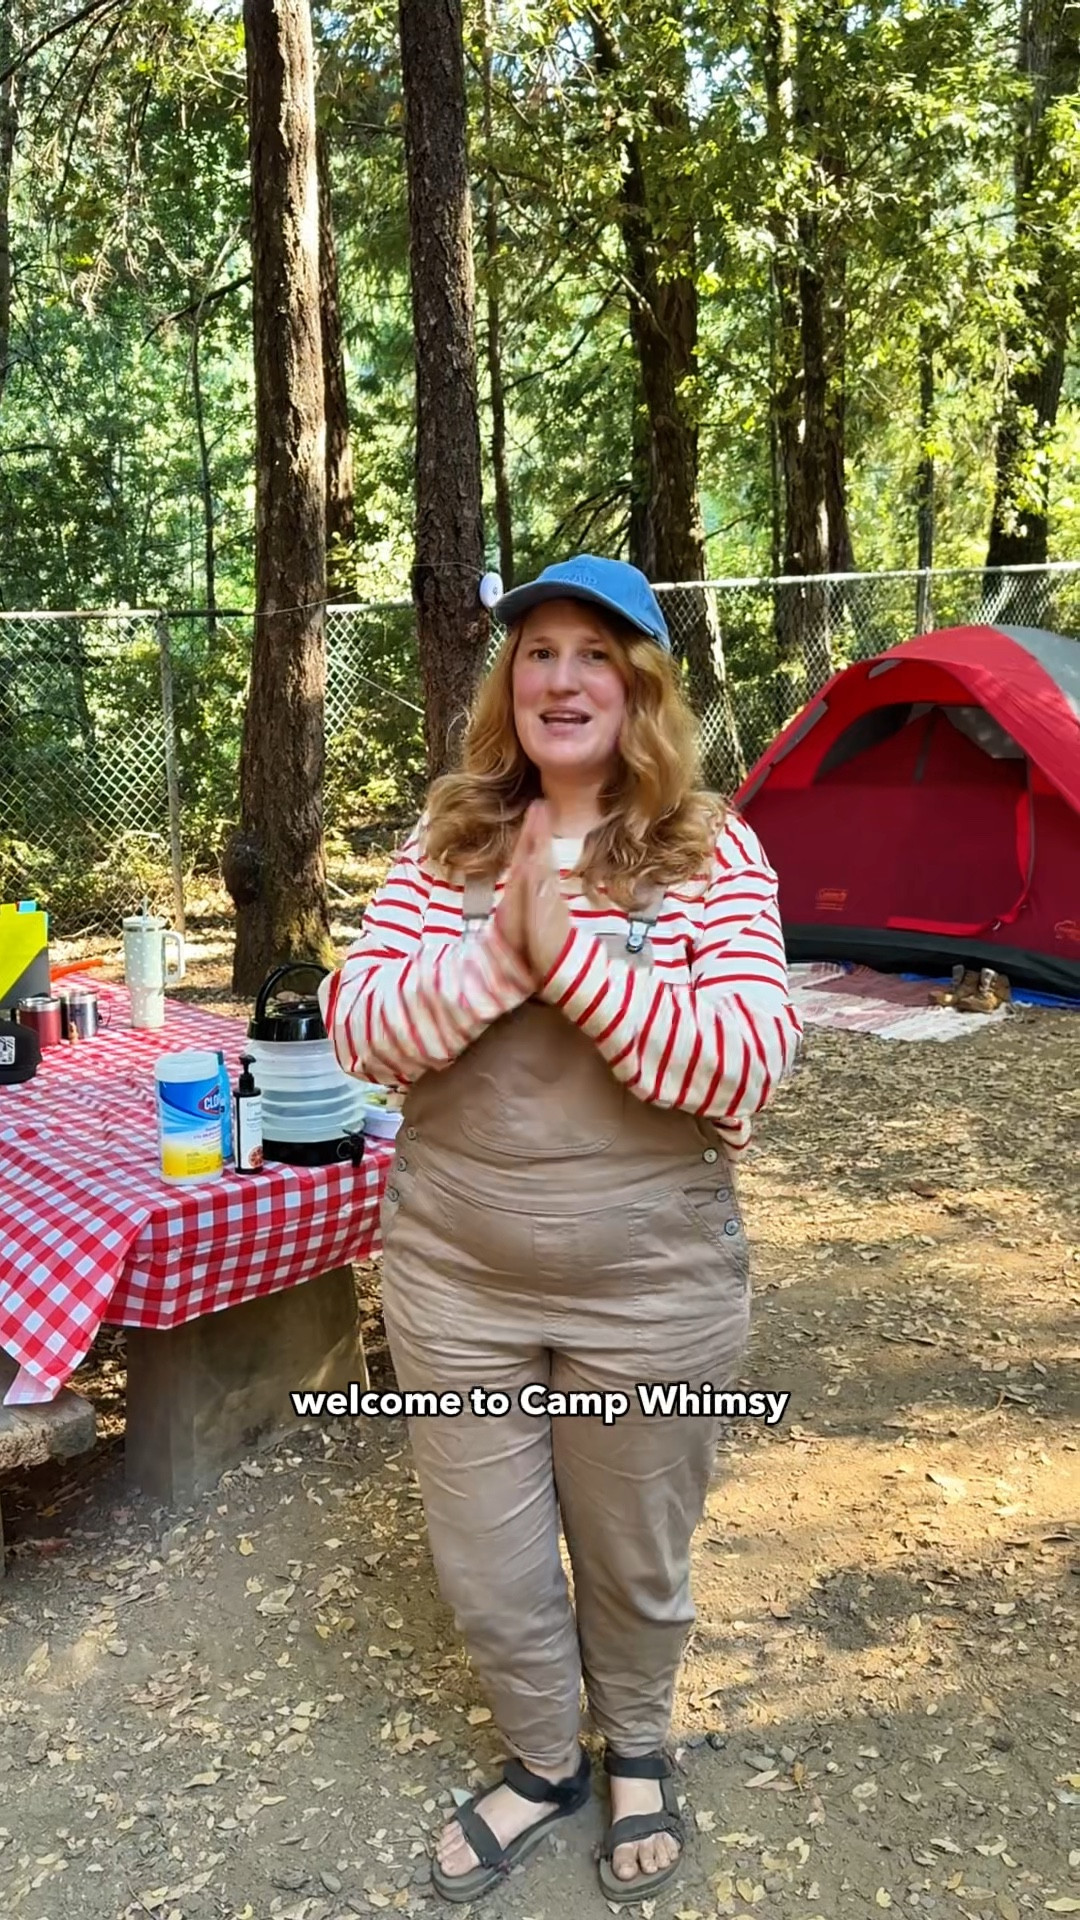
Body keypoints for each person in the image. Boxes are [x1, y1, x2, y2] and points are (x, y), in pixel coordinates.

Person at [321, 554, 802, 1906]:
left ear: (641, 686)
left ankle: (638, 1746)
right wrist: (494, 955)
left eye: (597, 653)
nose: (564, 677)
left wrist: (575, 960)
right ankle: (546, 1763)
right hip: (455, 1280)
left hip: (650, 1287)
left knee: (636, 1549)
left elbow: (744, 1063)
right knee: (488, 1559)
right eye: (539, 652)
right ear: (510, 684)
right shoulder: (448, 844)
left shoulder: (714, 853)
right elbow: (364, 1029)